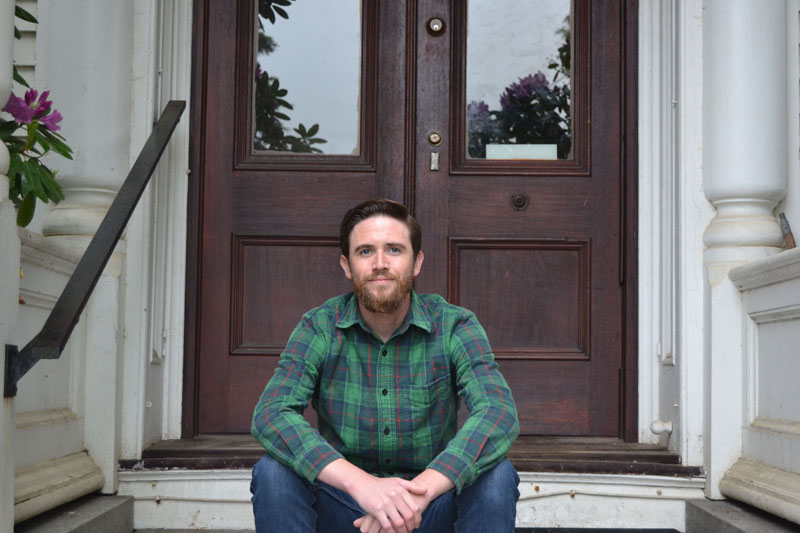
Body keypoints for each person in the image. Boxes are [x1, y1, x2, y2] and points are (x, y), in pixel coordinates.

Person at [250, 199, 520, 533]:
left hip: (429, 506)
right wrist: (363, 487)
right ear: (347, 265)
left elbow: (497, 411)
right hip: (348, 509)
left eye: (394, 249)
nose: (380, 263)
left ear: (416, 262)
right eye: (365, 252)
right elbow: (272, 413)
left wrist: (417, 495)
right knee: (273, 472)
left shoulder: (454, 326)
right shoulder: (319, 326)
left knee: (497, 474)